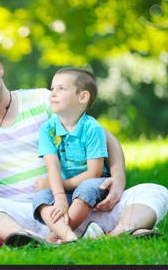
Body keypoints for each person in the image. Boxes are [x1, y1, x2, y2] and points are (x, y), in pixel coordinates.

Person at [0, 48, 168, 246]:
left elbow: (105, 137)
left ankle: (119, 232)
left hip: (73, 206)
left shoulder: (42, 101)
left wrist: (118, 180)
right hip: (15, 215)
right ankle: (23, 238)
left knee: (154, 191)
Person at [32, 68, 111, 243]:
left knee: (87, 188)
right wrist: (59, 197)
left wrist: (62, 187)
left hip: (94, 184)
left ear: (82, 97)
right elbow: (52, 166)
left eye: (61, 89)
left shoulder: (92, 128)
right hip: (65, 189)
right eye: (52, 89)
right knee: (40, 198)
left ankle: (51, 238)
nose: (52, 94)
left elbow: (94, 173)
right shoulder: (48, 129)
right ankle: (68, 236)